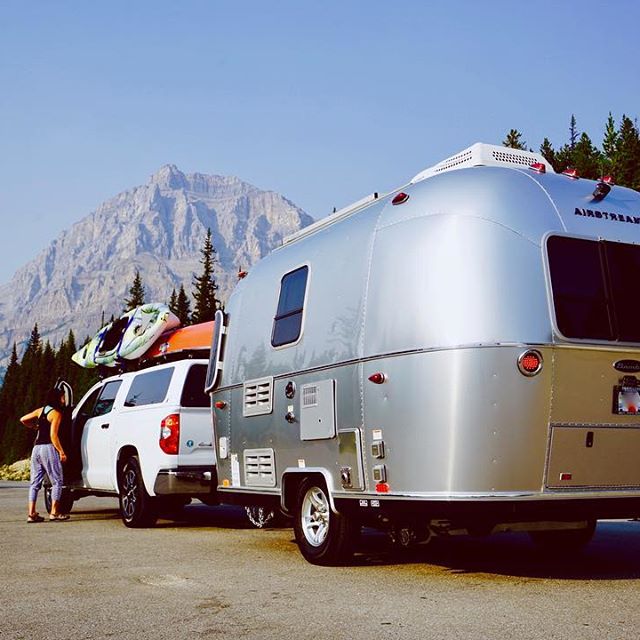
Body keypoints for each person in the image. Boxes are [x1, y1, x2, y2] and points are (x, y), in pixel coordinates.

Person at [20, 387, 70, 522]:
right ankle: (54, 512)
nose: (64, 400)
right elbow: (53, 436)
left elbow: (23, 419)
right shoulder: (56, 414)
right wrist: (61, 452)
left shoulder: (40, 410)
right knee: (57, 481)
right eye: (62, 397)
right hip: (48, 448)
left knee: (34, 483)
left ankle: (31, 514)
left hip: (36, 449)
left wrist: (34, 427)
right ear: (57, 398)